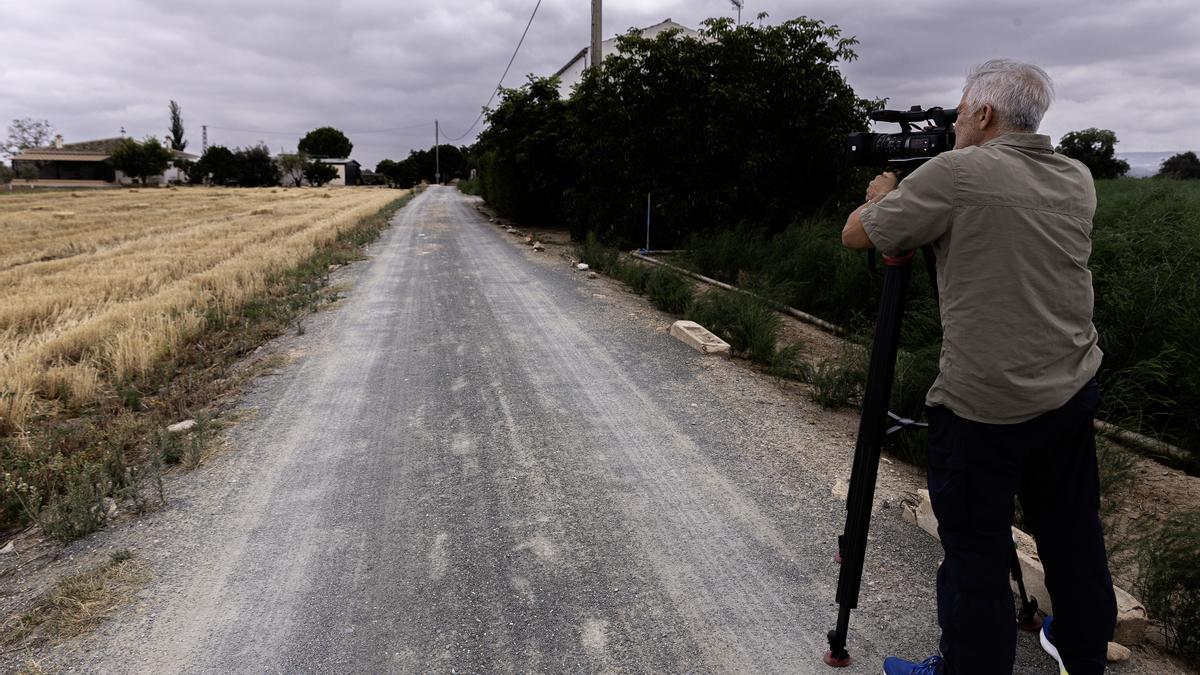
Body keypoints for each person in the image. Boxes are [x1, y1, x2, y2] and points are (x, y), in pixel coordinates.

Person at [841, 59, 1117, 674]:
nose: (956, 123)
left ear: (984, 114)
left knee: (975, 554)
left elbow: (860, 236)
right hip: (1070, 390)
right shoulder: (1076, 176)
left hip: (983, 407)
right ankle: (1081, 651)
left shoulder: (956, 173)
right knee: (1073, 537)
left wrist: (887, 195)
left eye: (962, 112)